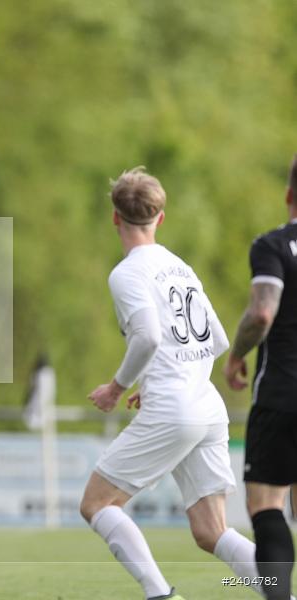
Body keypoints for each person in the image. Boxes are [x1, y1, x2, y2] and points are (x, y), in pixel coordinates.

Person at [80, 167, 266, 600]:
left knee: (97, 504)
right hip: (206, 405)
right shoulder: (179, 267)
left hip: (174, 408)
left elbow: (147, 336)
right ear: (160, 218)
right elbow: (216, 338)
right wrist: (160, 376)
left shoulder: (127, 273)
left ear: (115, 218)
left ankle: (160, 595)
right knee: (211, 531)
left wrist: (116, 387)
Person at [224, 155, 297, 600]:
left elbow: (262, 311)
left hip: (282, 394)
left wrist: (236, 355)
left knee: (267, 505)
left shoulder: (273, 246)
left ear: (289, 193)